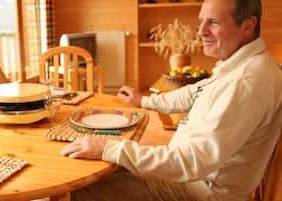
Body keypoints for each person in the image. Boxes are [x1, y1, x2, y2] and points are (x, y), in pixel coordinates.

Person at [61, 0, 282, 200]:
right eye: (201, 21)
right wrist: (144, 101)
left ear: (248, 26)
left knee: (79, 188)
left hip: (200, 190)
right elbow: (192, 92)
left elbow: (191, 162)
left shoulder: (246, 82)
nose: (201, 31)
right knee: (103, 164)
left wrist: (109, 149)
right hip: (191, 175)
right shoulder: (240, 66)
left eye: (213, 22)